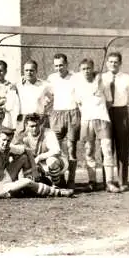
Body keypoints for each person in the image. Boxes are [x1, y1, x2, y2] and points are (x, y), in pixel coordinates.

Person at [0, 127, 74, 199]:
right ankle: (58, 192)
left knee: (24, 157)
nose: (5, 143)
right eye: (3, 140)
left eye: (8, 140)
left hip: (5, 178)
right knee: (27, 182)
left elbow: (27, 150)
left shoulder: (8, 147)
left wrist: (34, 169)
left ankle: (32, 184)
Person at [75, 58, 119, 193]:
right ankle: (92, 182)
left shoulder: (103, 81)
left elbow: (110, 102)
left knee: (107, 150)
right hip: (87, 121)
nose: (86, 71)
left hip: (102, 119)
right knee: (89, 151)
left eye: (88, 68)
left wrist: (98, 108)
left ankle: (110, 182)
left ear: (93, 68)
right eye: (83, 69)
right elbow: (79, 103)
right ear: (80, 70)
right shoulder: (79, 84)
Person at [101, 52, 129, 191]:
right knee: (106, 147)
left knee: (123, 148)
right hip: (106, 113)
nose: (113, 64)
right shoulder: (101, 78)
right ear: (107, 63)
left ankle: (123, 181)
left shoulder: (127, 78)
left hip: (121, 112)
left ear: (120, 63)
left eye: (116, 62)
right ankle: (107, 181)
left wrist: (128, 115)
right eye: (110, 62)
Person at [46, 53, 80, 189]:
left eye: (61, 65)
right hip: (57, 114)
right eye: (56, 66)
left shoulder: (76, 77)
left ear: (66, 64)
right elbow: (46, 94)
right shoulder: (51, 78)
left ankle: (71, 180)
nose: (58, 68)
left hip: (72, 113)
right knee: (56, 149)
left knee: (72, 149)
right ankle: (60, 180)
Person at [15, 113, 68, 187]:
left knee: (51, 161)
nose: (35, 128)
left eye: (37, 125)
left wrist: (39, 157)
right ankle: (45, 180)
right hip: (36, 164)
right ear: (26, 126)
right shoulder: (23, 136)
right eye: (32, 126)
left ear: (40, 124)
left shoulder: (48, 132)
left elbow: (56, 150)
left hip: (56, 161)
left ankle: (57, 184)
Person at [15, 60, 51, 130]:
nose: (29, 73)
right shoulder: (18, 85)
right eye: (26, 70)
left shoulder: (44, 85)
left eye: (31, 70)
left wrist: (45, 112)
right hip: (23, 118)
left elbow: (52, 99)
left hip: (39, 118)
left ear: (36, 71)